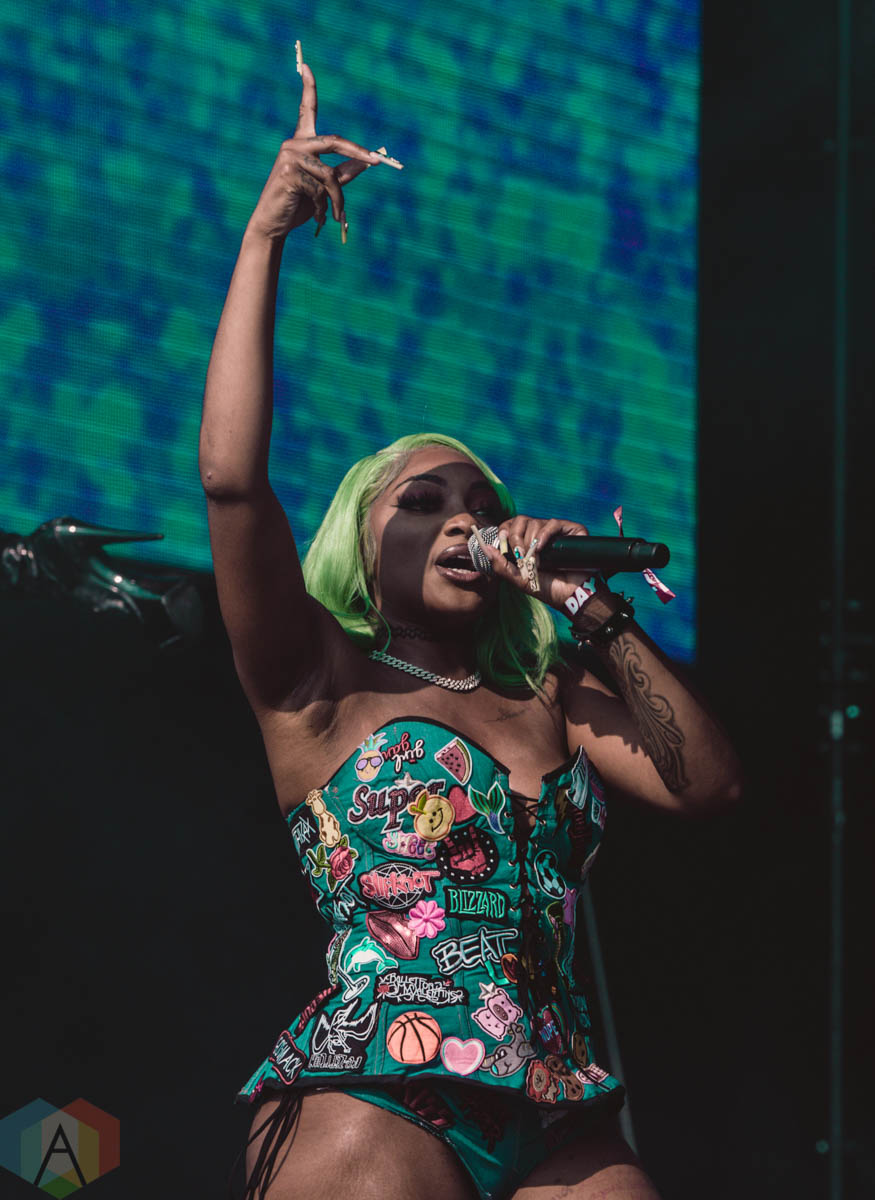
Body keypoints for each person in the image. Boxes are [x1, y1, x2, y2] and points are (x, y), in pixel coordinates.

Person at [200, 47, 742, 1200]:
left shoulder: (551, 697)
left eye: (484, 507)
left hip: (552, 1104)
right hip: (379, 1084)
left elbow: (707, 785)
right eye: (423, 502)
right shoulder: (318, 676)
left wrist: (587, 607)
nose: (465, 520)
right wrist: (264, 237)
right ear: (361, 543)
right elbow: (232, 485)